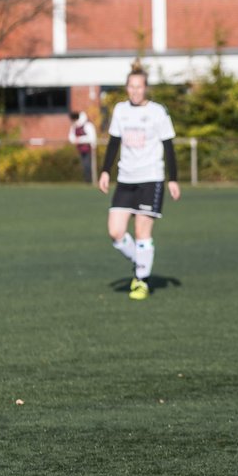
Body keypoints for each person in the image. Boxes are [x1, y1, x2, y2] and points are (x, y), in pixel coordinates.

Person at [97, 63, 180, 301]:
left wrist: (172, 179)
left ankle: (141, 280)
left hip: (150, 179)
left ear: (145, 88)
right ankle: (140, 262)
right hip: (125, 179)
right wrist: (105, 171)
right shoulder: (121, 110)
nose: (134, 91)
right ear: (126, 88)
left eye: (139, 87)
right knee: (115, 232)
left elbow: (168, 146)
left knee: (142, 231)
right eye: (131, 87)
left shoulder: (157, 112)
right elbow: (114, 142)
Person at [69, 111, 97, 183]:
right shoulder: (75, 126)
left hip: (89, 149)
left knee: (88, 165)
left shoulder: (87, 125)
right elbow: (71, 138)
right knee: (84, 165)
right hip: (80, 149)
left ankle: (90, 180)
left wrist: (80, 139)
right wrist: (77, 140)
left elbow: (91, 138)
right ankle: (87, 180)